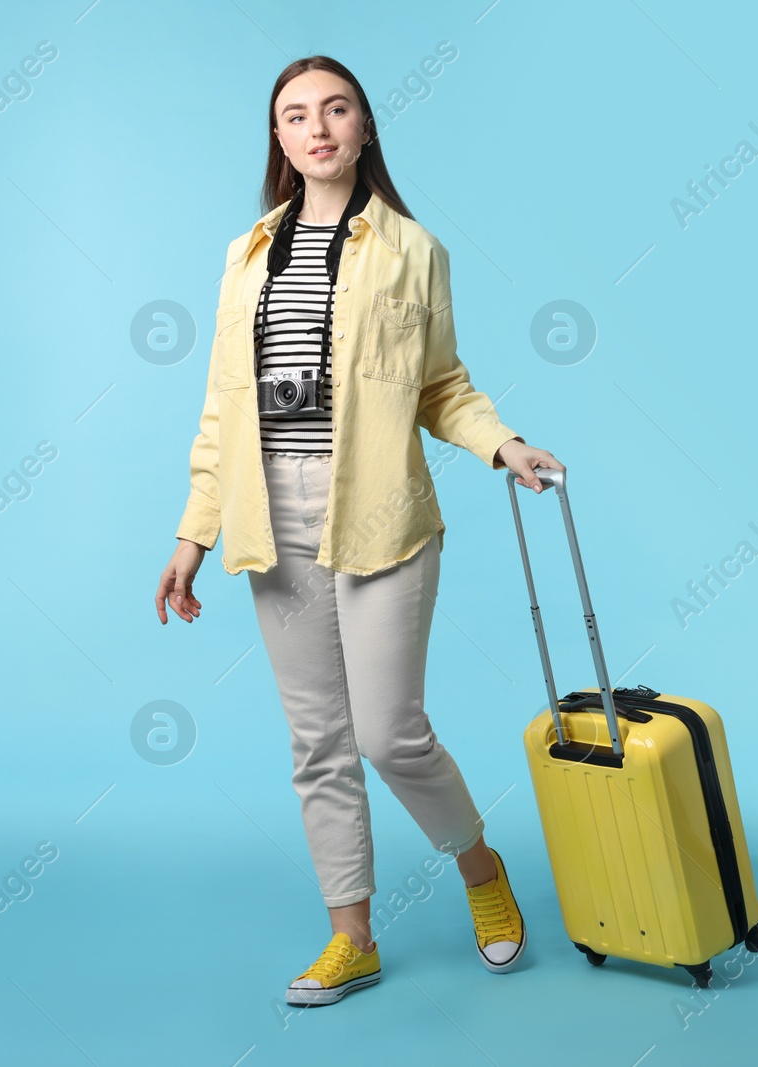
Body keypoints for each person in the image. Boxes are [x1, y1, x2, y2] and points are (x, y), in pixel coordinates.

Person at [154, 55, 564, 1008]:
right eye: (295, 115)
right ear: (280, 140)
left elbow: (442, 387)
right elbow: (224, 405)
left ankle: (482, 871)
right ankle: (354, 937)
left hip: (380, 511)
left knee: (389, 732)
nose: (317, 127)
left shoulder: (413, 251)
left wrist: (502, 444)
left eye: (335, 109)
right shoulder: (245, 254)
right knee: (318, 741)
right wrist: (193, 533)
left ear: (366, 127)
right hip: (269, 511)